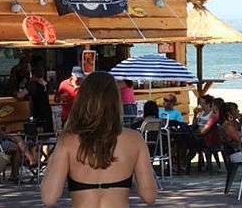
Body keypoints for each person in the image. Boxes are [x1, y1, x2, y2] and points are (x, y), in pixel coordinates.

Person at [41, 72, 156, 207]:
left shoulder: (68, 141)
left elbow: (49, 198)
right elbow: (149, 196)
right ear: (115, 100)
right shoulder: (134, 139)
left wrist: (51, 163)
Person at [0, 95, 34, 181]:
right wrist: (11, 134)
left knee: (17, 141)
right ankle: (16, 173)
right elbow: (2, 134)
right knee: (16, 146)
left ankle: (30, 160)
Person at [27, 67, 53, 133]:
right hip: (44, 112)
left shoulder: (33, 85)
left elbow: (20, 95)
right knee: (46, 132)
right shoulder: (46, 84)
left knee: (38, 132)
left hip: (37, 112)